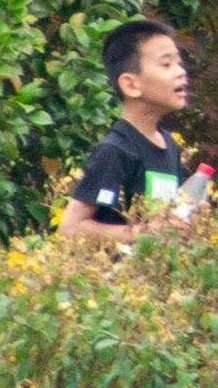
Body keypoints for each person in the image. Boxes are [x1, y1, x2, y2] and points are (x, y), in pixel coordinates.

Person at [61, 17, 210, 241]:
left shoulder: (169, 145)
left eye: (179, 63)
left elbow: (168, 222)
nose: (181, 72)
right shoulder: (115, 150)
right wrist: (146, 233)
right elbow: (69, 229)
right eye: (166, 64)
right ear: (130, 84)